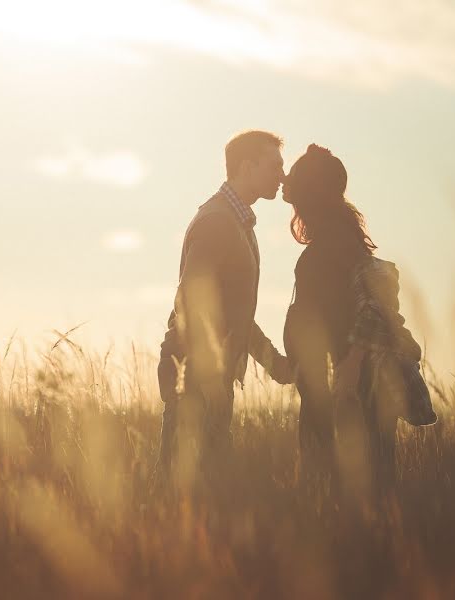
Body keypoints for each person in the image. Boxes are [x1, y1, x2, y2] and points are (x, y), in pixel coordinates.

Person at [155, 130, 295, 491]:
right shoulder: (218, 221)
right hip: (197, 380)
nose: (283, 174)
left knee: (207, 492)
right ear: (247, 167)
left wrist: (275, 364)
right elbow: (190, 300)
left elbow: (235, 313)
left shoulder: (235, 221)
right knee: (179, 491)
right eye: (275, 165)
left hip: (210, 381)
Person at [282, 143, 417, 497]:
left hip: (347, 384)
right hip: (339, 382)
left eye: (294, 186)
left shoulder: (333, 245)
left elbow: (371, 306)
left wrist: (352, 365)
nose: (286, 189)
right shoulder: (341, 239)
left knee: (349, 482)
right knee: (364, 480)